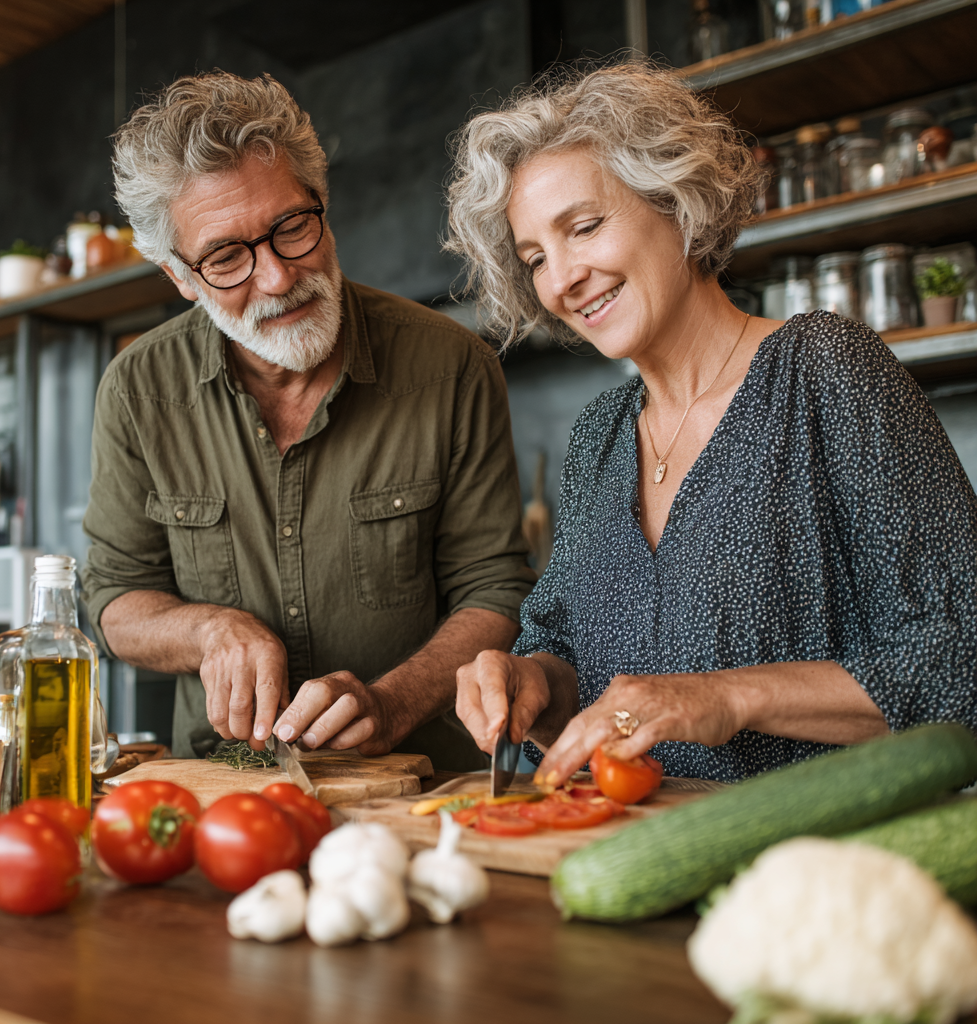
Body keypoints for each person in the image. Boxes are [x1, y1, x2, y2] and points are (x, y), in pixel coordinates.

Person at [446, 63, 977, 784]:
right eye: (536, 257)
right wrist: (528, 682)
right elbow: (566, 655)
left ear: (676, 201)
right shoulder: (600, 433)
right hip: (636, 858)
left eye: (586, 227)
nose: (563, 277)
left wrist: (721, 696)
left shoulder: (822, 372)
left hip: (816, 865)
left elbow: (958, 658)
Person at [82, 72, 535, 767]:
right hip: (223, 787)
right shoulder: (139, 391)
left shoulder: (453, 367)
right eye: (227, 257)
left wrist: (394, 702)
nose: (276, 277)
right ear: (180, 276)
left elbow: (495, 590)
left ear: (322, 203)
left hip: (418, 783)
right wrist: (209, 630)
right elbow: (113, 599)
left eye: (291, 227)